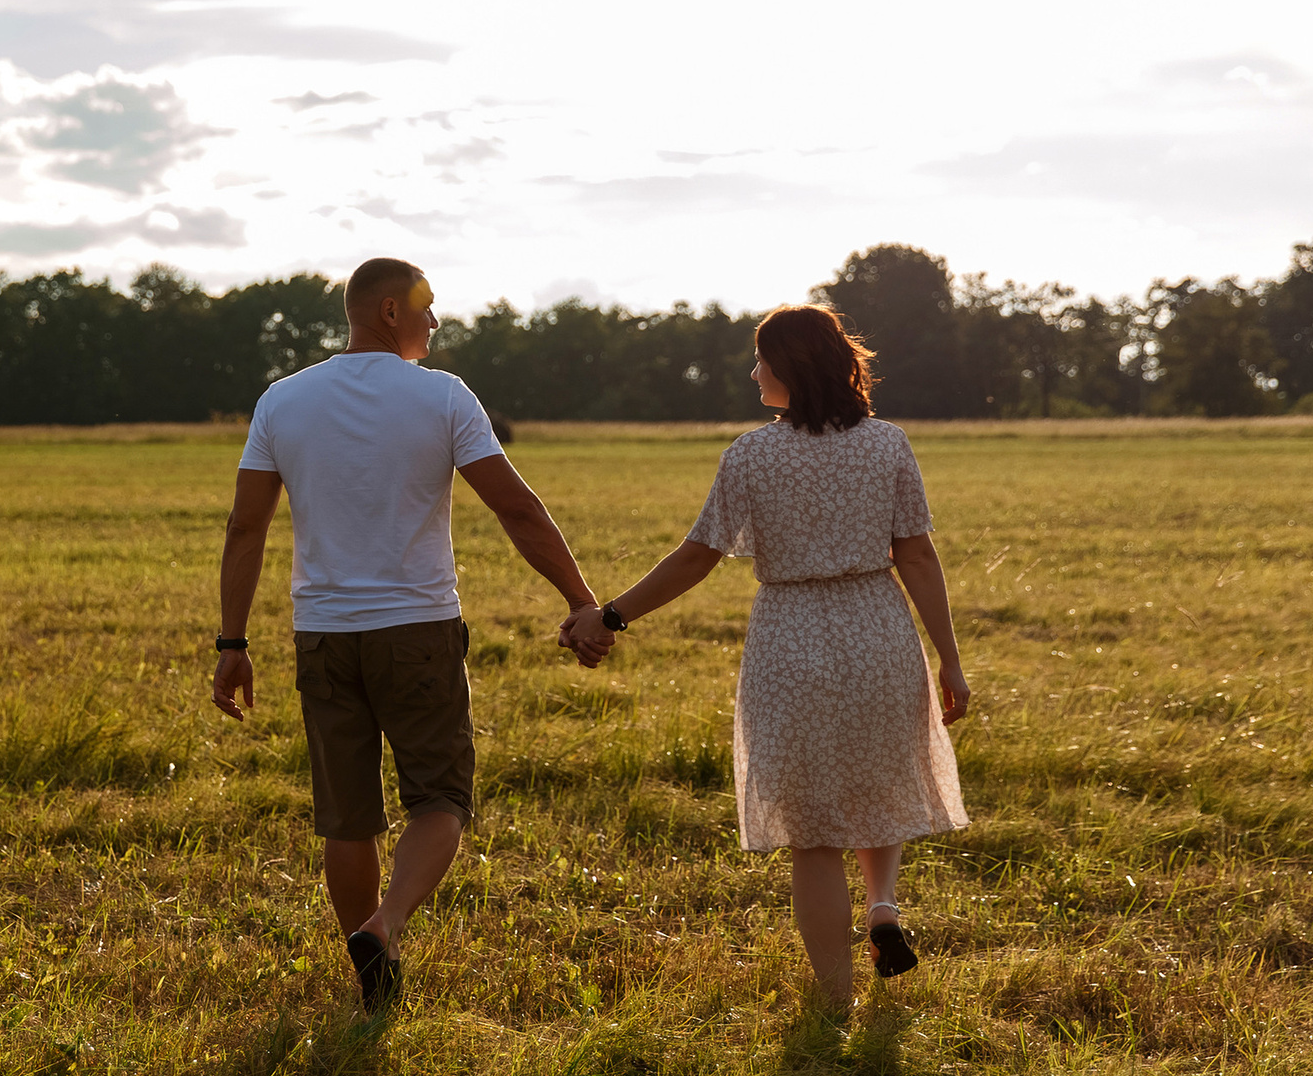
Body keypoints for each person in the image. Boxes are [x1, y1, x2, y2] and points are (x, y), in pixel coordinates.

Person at [211, 257, 613, 1011]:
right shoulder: (443, 397)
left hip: (323, 635)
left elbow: (245, 525)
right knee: (441, 799)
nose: (435, 322)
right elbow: (517, 508)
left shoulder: (282, 400)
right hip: (419, 629)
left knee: (347, 814)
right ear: (390, 310)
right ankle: (387, 924)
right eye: (427, 308)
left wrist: (232, 644)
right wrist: (580, 599)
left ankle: (372, 984)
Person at [560, 303, 968, 1016]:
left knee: (811, 832)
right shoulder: (888, 445)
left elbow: (696, 557)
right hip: (878, 629)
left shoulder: (751, 454)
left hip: (792, 639)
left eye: (760, 359)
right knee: (876, 783)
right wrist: (950, 661)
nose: (753, 372)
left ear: (787, 367)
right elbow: (919, 557)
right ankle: (882, 905)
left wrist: (613, 614)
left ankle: (835, 1002)